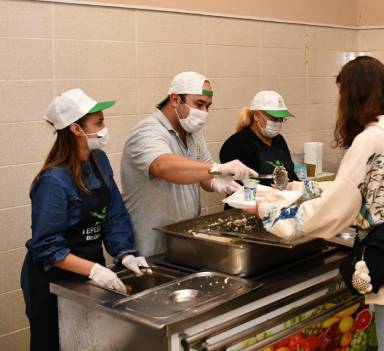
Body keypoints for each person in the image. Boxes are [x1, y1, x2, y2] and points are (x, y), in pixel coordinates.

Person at [250, 56, 384, 351]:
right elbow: (368, 190)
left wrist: (270, 212)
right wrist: (303, 187)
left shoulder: (371, 139)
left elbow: (337, 209)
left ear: (355, 96)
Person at [20, 89, 150, 351]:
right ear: (76, 129)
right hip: (52, 279)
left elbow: (114, 214)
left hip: (88, 271)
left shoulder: (98, 160)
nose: (105, 129)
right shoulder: (53, 181)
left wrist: (125, 253)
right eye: (99, 123)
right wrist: (94, 271)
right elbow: (47, 246)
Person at [121, 71, 257, 256]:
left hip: (184, 240)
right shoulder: (147, 132)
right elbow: (164, 167)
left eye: (208, 106)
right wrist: (216, 169)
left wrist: (216, 180)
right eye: (199, 104)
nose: (204, 113)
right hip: (152, 248)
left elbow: (204, 174)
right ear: (175, 99)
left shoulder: (193, 133)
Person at [219, 90, 299, 188]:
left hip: (282, 201)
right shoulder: (236, 144)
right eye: (274, 118)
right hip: (252, 201)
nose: (278, 123)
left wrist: (301, 188)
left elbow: (290, 175)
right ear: (256, 115)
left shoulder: (279, 140)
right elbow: (239, 187)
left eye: (281, 119)